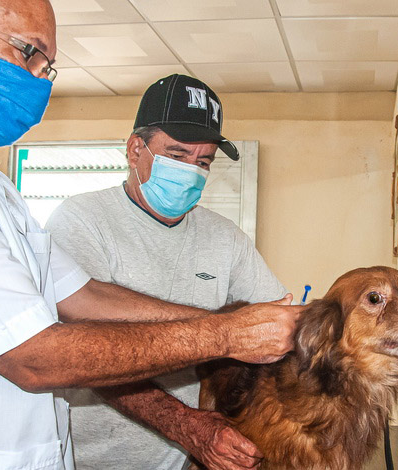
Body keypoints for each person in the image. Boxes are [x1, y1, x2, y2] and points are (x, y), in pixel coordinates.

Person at [0, 1, 301, 469]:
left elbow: (83, 297)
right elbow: (33, 357)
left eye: (47, 65)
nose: (40, 79)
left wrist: (237, 325)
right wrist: (221, 335)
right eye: (29, 53)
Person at [46, 74, 288, 470]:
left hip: (187, 459)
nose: (192, 171)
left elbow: (271, 326)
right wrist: (186, 425)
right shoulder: (82, 220)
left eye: (203, 161)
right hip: (88, 459)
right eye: (177, 156)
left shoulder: (225, 238)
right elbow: (86, 353)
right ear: (135, 149)